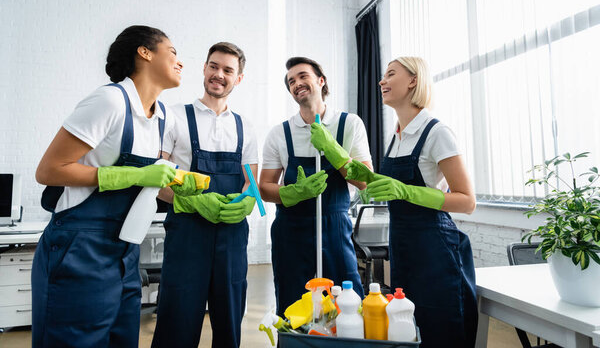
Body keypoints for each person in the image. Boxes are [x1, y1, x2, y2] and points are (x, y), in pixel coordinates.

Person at [31, 25, 196, 347]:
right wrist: (131, 176)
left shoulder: (163, 116)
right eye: (173, 52)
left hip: (125, 251)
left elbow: (154, 182)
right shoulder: (109, 101)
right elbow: (49, 170)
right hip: (79, 247)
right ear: (145, 52)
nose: (181, 63)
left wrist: (190, 196)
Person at [345, 56, 477, 348]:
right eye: (382, 76)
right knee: (409, 331)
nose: (381, 81)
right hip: (404, 248)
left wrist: (407, 192)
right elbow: (392, 189)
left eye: (390, 74)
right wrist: (365, 177)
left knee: (441, 331)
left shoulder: (436, 132)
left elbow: (467, 201)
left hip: (436, 251)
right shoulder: (397, 136)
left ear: (413, 80)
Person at [152, 42, 258, 348]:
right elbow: (157, 180)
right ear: (204, 68)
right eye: (214, 66)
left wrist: (247, 200)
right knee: (177, 321)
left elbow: (250, 182)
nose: (219, 74)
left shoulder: (245, 127)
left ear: (238, 78)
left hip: (232, 237)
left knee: (229, 321)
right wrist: (190, 201)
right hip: (187, 236)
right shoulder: (173, 117)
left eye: (228, 70)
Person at [259, 57, 372, 318]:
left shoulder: (349, 124)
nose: (297, 83)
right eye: (291, 81)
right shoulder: (280, 133)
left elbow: (365, 181)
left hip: (335, 226)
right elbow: (265, 188)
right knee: (291, 305)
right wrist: (293, 192)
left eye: (302, 76)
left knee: (348, 301)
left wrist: (333, 149)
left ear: (321, 80)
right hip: (291, 230)